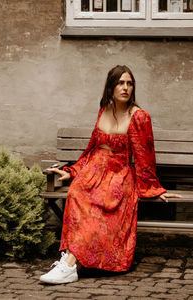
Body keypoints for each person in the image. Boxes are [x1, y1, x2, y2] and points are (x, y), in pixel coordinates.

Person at [40, 65, 181, 284]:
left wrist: (152, 189)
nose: (125, 88)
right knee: (76, 194)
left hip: (118, 174)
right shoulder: (104, 109)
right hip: (93, 171)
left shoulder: (139, 116)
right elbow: (92, 149)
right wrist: (73, 171)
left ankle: (68, 264)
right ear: (111, 87)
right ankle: (70, 262)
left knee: (103, 203)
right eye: (120, 83)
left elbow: (145, 157)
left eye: (129, 83)